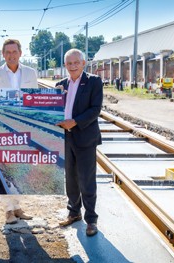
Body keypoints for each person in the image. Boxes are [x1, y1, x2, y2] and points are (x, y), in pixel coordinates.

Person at [0, 39, 37, 224]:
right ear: (3, 54)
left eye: (14, 51)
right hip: (2, 128)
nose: (11, 55)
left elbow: (35, 98)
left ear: (20, 53)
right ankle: (8, 210)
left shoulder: (31, 72)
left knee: (20, 169)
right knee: (1, 169)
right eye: (7, 52)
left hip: (22, 128)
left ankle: (18, 207)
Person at [55, 48, 103, 237]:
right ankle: (74, 212)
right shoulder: (60, 84)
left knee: (87, 179)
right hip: (65, 138)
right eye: (69, 63)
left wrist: (74, 122)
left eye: (76, 62)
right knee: (71, 178)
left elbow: (95, 108)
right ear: (65, 65)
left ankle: (91, 219)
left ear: (83, 63)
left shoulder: (93, 82)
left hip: (85, 137)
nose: (73, 66)